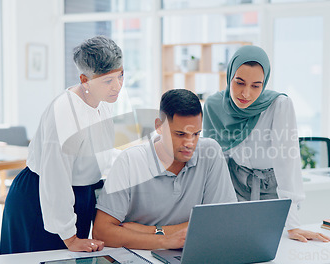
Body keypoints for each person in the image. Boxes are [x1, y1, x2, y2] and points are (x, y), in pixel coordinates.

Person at [0, 36, 124, 254]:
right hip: (40, 198)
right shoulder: (65, 113)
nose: (117, 86)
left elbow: (99, 152)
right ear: (84, 79)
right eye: (107, 81)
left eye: (120, 75)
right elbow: (55, 177)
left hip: (78, 195)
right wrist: (70, 237)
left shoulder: (102, 103)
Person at [203, 45, 330, 243]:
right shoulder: (214, 105)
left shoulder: (278, 105)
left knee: (274, 249)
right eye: (239, 83)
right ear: (229, 76)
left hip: (271, 189)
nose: (246, 93)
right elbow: (215, 161)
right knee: (231, 246)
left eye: (256, 85)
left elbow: (287, 163)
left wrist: (293, 225)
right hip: (233, 185)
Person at [92, 89, 237, 250]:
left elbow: (223, 222)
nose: (190, 143)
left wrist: (153, 231)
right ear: (159, 126)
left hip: (191, 253)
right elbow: (101, 232)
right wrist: (165, 241)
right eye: (180, 134)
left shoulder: (210, 152)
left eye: (196, 134)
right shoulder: (129, 161)